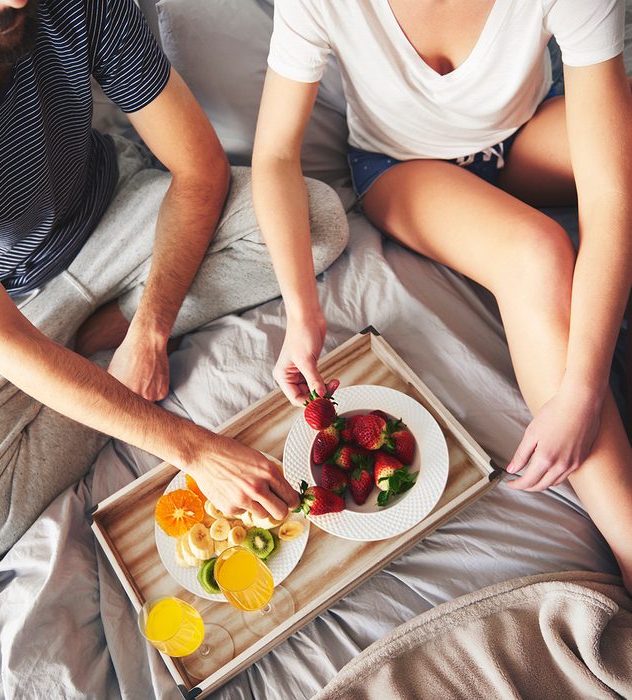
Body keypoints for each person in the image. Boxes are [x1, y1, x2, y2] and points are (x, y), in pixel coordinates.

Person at [0, 0, 349, 565]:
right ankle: (82, 355)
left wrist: (150, 327)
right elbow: (3, 337)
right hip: (2, 300)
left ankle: (105, 337)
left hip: (118, 214)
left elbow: (200, 167)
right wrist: (196, 451)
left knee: (316, 221)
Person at [251, 0, 632, 589]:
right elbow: (275, 154)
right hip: (403, 168)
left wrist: (583, 391)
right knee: (537, 252)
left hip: (523, 137)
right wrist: (302, 313)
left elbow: (611, 198)